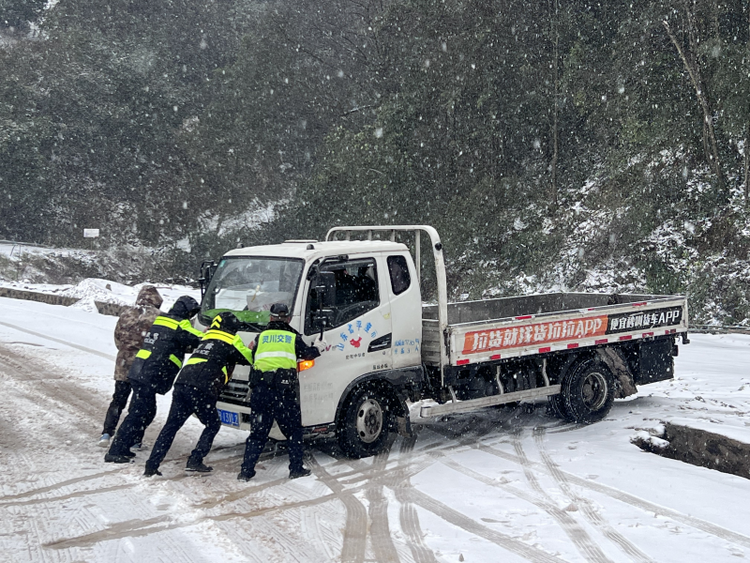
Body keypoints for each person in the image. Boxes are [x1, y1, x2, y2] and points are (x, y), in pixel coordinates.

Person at [143, 311, 254, 477]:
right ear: (232, 329)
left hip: (182, 383)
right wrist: (251, 349)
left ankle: (151, 465)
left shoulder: (206, 338)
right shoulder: (231, 340)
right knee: (212, 424)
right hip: (203, 387)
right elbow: (250, 359)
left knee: (171, 426)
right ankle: (195, 460)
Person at [104, 296, 204, 463]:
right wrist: (209, 333)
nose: (191, 317)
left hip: (140, 370)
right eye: (191, 313)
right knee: (138, 413)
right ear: (186, 311)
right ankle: (116, 450)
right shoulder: (180, 323)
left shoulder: (162, 320)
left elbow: (170, 341)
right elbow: (197, 338)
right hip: (150, 373)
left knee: (145, 411)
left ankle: (125, 446)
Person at [238, 303, 324, 481]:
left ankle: (246, 472)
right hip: (283, 393)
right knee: (293, 431)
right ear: (288, 319)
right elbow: (307, 354)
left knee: (257, 434)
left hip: (261, 391)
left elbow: (253, 356)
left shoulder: (260, 337)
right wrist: (319, 348)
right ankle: (296, 468)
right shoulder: (292, 337)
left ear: (270, 318)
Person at [99, 285, 163, 448]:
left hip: (123, 363)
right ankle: (135, 439)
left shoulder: (126, 314)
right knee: (139, 404)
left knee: (118, 399)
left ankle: (106, 433)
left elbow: (117, 339)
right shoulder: (158, 317)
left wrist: (126, 352)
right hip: (143, 365)